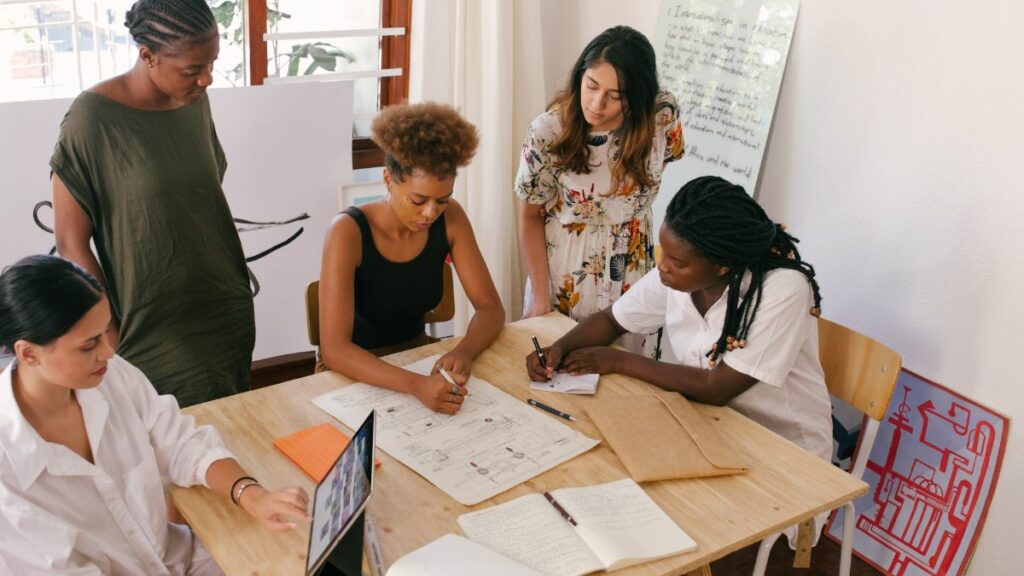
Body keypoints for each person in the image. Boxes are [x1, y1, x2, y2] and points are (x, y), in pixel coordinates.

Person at [0, 255, 309, 575]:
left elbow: (180, 443)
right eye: (89, 344)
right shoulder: (8, 470)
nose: (108, 352)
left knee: (301, 552)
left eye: (106, 331)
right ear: (28, 353)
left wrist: (250, 494)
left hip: (183, 559)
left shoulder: (109, 375)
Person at [526, 176, 833, 463]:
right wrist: (558, 349)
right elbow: (612, 321)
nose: (663, 267)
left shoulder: (782, 289)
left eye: (677, 262)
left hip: (786, 451)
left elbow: (717, 388)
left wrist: (618, 361)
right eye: (664, 254)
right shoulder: (676, 277)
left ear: (723, 266)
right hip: (712, 426)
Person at [50, 0, 254, 407]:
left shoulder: (193, 101)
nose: (207, 79)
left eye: (211, 63)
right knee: (167, 449)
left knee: (228, 435)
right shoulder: (92, 119)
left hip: (223, 306)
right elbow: (71, 243)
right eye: (193, 69)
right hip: (150, 323)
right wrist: (107, 329)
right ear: (148, 55)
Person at [319, 102, 505, 415]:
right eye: (418, 200)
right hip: (352, 373)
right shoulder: (347, 231)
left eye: (442, 201)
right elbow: (335, 350)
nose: (430, 213)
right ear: (389, 180)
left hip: (416, 360)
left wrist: (464, 351)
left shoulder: (451, 219)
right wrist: (416, 385)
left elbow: (490, 308)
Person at [517, 25, 685, 323]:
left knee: (628, 366)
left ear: (637, 95)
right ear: (580, 74)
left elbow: (654, 172)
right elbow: (530, 215)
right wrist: (541, 298)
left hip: (635, 270)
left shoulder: (662, 116)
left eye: (615, 95)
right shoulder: (548, 131)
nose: (596, 104)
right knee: (561, 364)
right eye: (591, 85)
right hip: (567, 275)